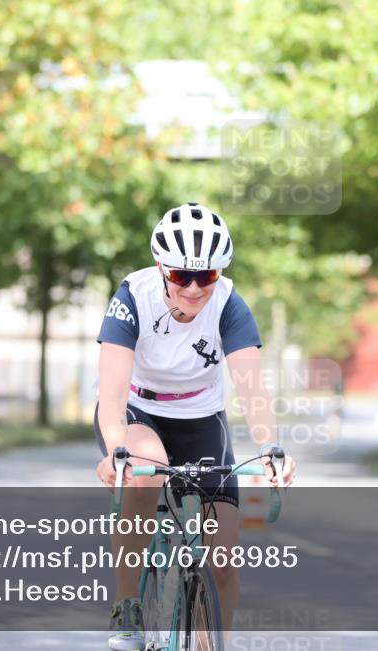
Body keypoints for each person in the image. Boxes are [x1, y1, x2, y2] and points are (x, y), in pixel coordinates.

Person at [94, 202, 297, 650]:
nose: (192, 288)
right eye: (181, 275)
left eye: (205, 277)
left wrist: (271, 449)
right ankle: (127, 608)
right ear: (161, 266)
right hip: (138, 411)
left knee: (222, 559)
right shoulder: (131, 298)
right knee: (147, 469)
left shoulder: (229, 304)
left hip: (201, 417)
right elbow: (111, 395)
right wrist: (115, 450)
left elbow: (252, 390)